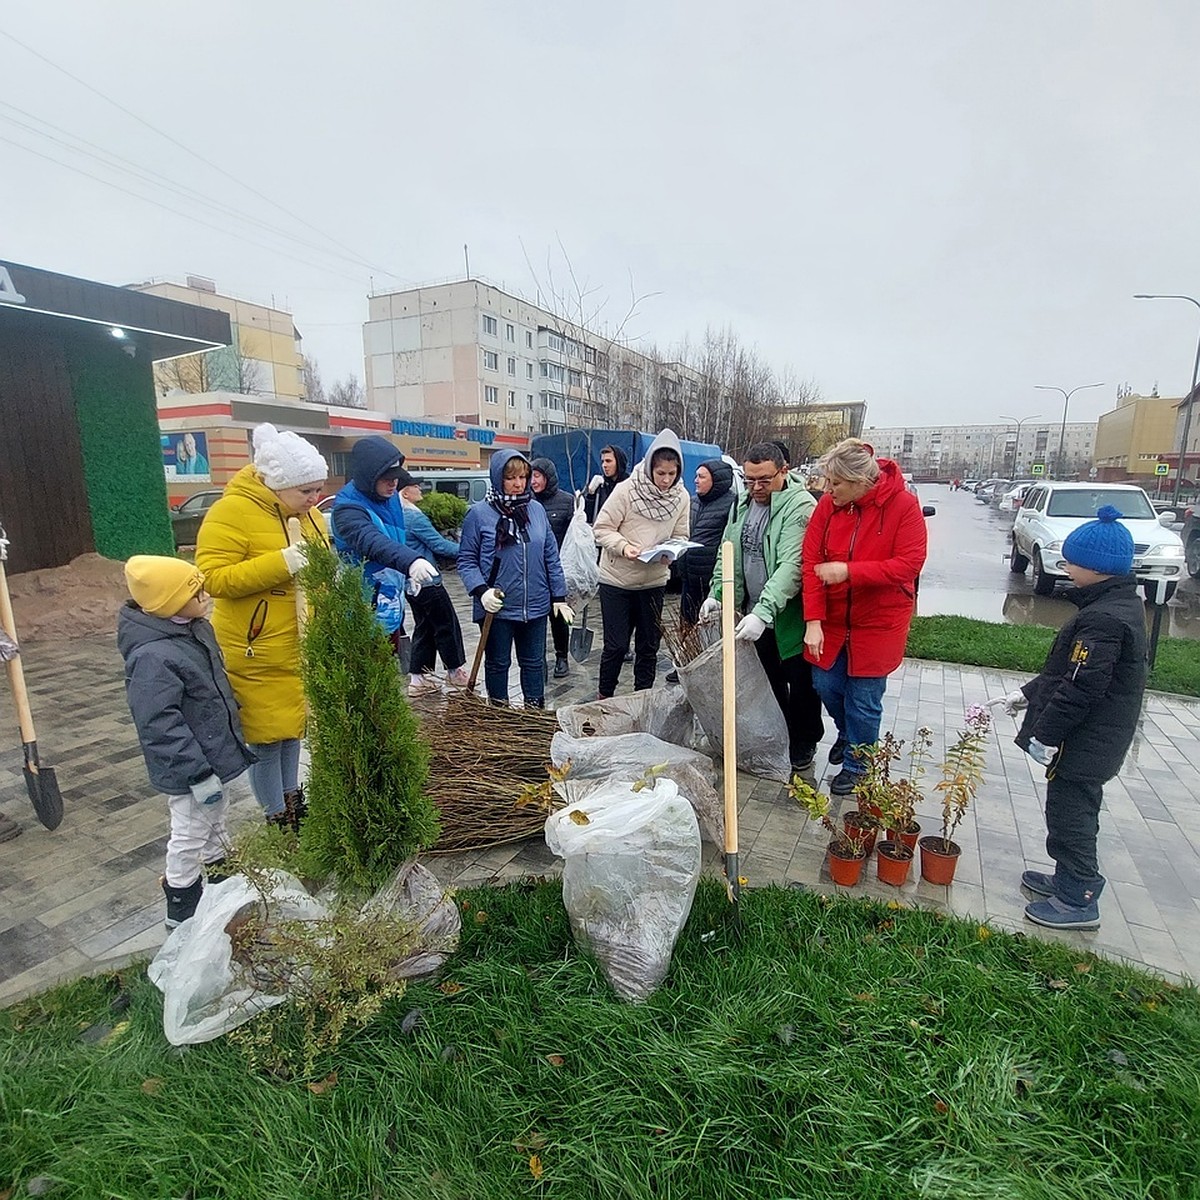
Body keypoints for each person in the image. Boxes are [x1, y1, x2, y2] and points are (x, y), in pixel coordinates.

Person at [990, 506, 1147, 930]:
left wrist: (1047, 734)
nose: (1066, 566)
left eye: (1071, 561)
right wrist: (1026, 695)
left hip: (1086, 740)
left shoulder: (1103, 619)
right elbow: (1068, 673)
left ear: (1096, 568)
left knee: (1071, 815)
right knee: (1072, 809)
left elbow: (1081, 688)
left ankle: (1079, 897)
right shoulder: (1116, 605)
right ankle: (1067, 878)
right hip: (1096, 738)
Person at [196, 423, 330, 830]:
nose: (315, 499)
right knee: (266, 740)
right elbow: (212, 578)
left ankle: (293, 800)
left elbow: (319, 565)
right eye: (306, 491)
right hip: (255, 649)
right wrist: (281, 563)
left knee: (292, 732)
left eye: (318, 489)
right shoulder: (232, 512)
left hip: (298, 646)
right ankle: (275, 815)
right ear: (278, 484)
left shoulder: (307, 516)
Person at [118, 556, 255, 928]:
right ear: (168, 602)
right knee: (189, 830)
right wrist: (196, 772)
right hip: (191, 766)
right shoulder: (153, 657)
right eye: (195, 591)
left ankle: (223, 877)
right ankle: (181, 902)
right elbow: (159, 723)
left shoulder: (194, 630)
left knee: (215, 817)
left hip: (213, 754)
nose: (206, 594)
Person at [801, 438, 928, 794]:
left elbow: (908, 565)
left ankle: (859, 765)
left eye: (836, 483)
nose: (828, 490)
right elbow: (811, 564)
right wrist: (813, 621)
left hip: (880, 620)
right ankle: (847, 733)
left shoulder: (903, 506)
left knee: (864, 698)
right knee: (825, 683)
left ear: (860, 481)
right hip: (833, 616)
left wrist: (850, 571)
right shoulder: (829, 506)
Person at [700, 443, 823, 774]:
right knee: (768, 681)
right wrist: (717, 592)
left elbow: (792, 566)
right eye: (749, 479)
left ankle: (805, 739)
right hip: (753, 613)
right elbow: (729, 551)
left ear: (783, 471)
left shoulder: (799, 507)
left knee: (800, 683)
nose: (755, 487)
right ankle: (780, 735)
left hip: (787, 618)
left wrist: (764, 611)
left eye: (763, 480)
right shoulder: (742, 503)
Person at [458, 450, 571, 707]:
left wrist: (559, 596)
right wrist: (480, 590)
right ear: (498, 478)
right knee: (498, 663)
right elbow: (466, 560)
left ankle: (534, 712)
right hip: (497, 606)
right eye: (511, 478)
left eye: (523, 477)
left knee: (533, 663)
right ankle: (499, 713)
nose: (519, 484)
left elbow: (550, 556)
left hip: (535, 605)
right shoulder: (479, 515)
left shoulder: (536, 510)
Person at [592, 429, 691, 697]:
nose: (666, 480)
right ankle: (605, 697)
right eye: (661, 473)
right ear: (650, 467)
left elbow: (681, 535)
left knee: (649, 646)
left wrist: (671, 551)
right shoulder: (626, 490)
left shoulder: (681, 497)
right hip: (618, 580)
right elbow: (601, 529)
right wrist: (624, 547)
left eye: (672, 474)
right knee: (616, 645)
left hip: (653, 580)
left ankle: (642, 697)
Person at [330, 436, 439, 661]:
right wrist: (411, 561)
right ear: (368, 478)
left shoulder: (389, 499)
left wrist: (405, 578)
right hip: (362, 616)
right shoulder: (347, 510)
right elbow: (374, 542)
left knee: (390, 678)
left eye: (396, 478)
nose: (394, 484)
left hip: (389, 610)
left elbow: (396, 541)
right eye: (386, 479)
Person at [396, 470, 470, 692]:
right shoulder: (414, 517)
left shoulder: (397, 516)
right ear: (405, 492)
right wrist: (470, 551)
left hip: (411, 584)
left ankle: (418, 678)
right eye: (416, 486)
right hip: (428, 581)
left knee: (425, 628)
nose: (420, 489)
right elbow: (439, 545)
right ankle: (454, 672)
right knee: (447, 625)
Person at [531, 456, 576, 678]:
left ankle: (562, 657)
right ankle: (538, 660)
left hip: (558, 569)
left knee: (558, 617)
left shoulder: (566, 501)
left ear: (547, 477)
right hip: (534, 573)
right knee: (536, 618)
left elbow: (574, 537)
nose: (532, 481)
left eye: (537, 476)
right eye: (531, 476)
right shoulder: (527, 502)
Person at [680, 458, 736, 625]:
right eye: (696, 476)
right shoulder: (693, 501)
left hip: (710, 580)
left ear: (716, 480)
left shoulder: (732, 504)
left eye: (702, 477)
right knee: (686, 625)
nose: (696, 481)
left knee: (707, 626)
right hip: (688, 578)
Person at [584, 444, 629, 525]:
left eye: (608, 461)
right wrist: (591, 495)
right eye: (602, 461)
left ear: (619, 462)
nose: (604, 465)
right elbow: (588, 517)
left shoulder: (630, 484)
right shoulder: (601, 485)